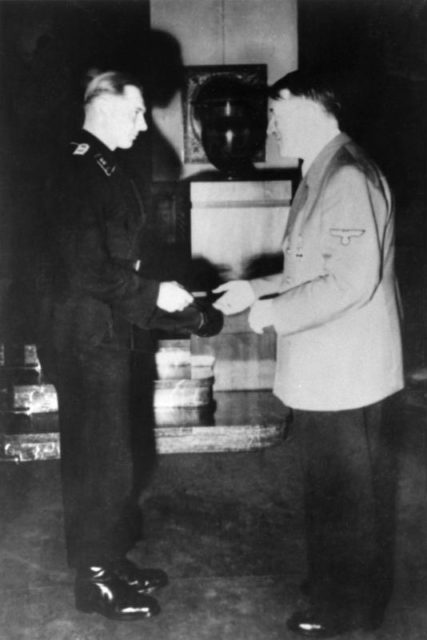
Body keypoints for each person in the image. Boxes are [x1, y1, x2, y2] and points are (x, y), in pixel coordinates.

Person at [214, 70, 404, 637]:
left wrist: (276, 313)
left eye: (279, 116)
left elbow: (349, 283)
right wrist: (257, 289)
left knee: (345, 497)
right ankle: (338, 588)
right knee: (336, 492)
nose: (271, 129)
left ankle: (343, 608)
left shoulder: (345, 177)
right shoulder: (325, 170)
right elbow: (310, 267)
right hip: (335, 367)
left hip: (346, 372)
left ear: (315, 112)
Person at [37, 69, 220, 621]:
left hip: (104, 329)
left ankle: (107, 558)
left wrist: (168, 302)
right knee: (101, 461)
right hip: (85, 335)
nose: (145, 125)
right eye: (136, 112)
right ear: (101, 104)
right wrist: (153, 293)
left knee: (111, 456)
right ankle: (94, 581)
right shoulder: (76, 167)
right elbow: (86, 267)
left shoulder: (102, 164)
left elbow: (116, 260)